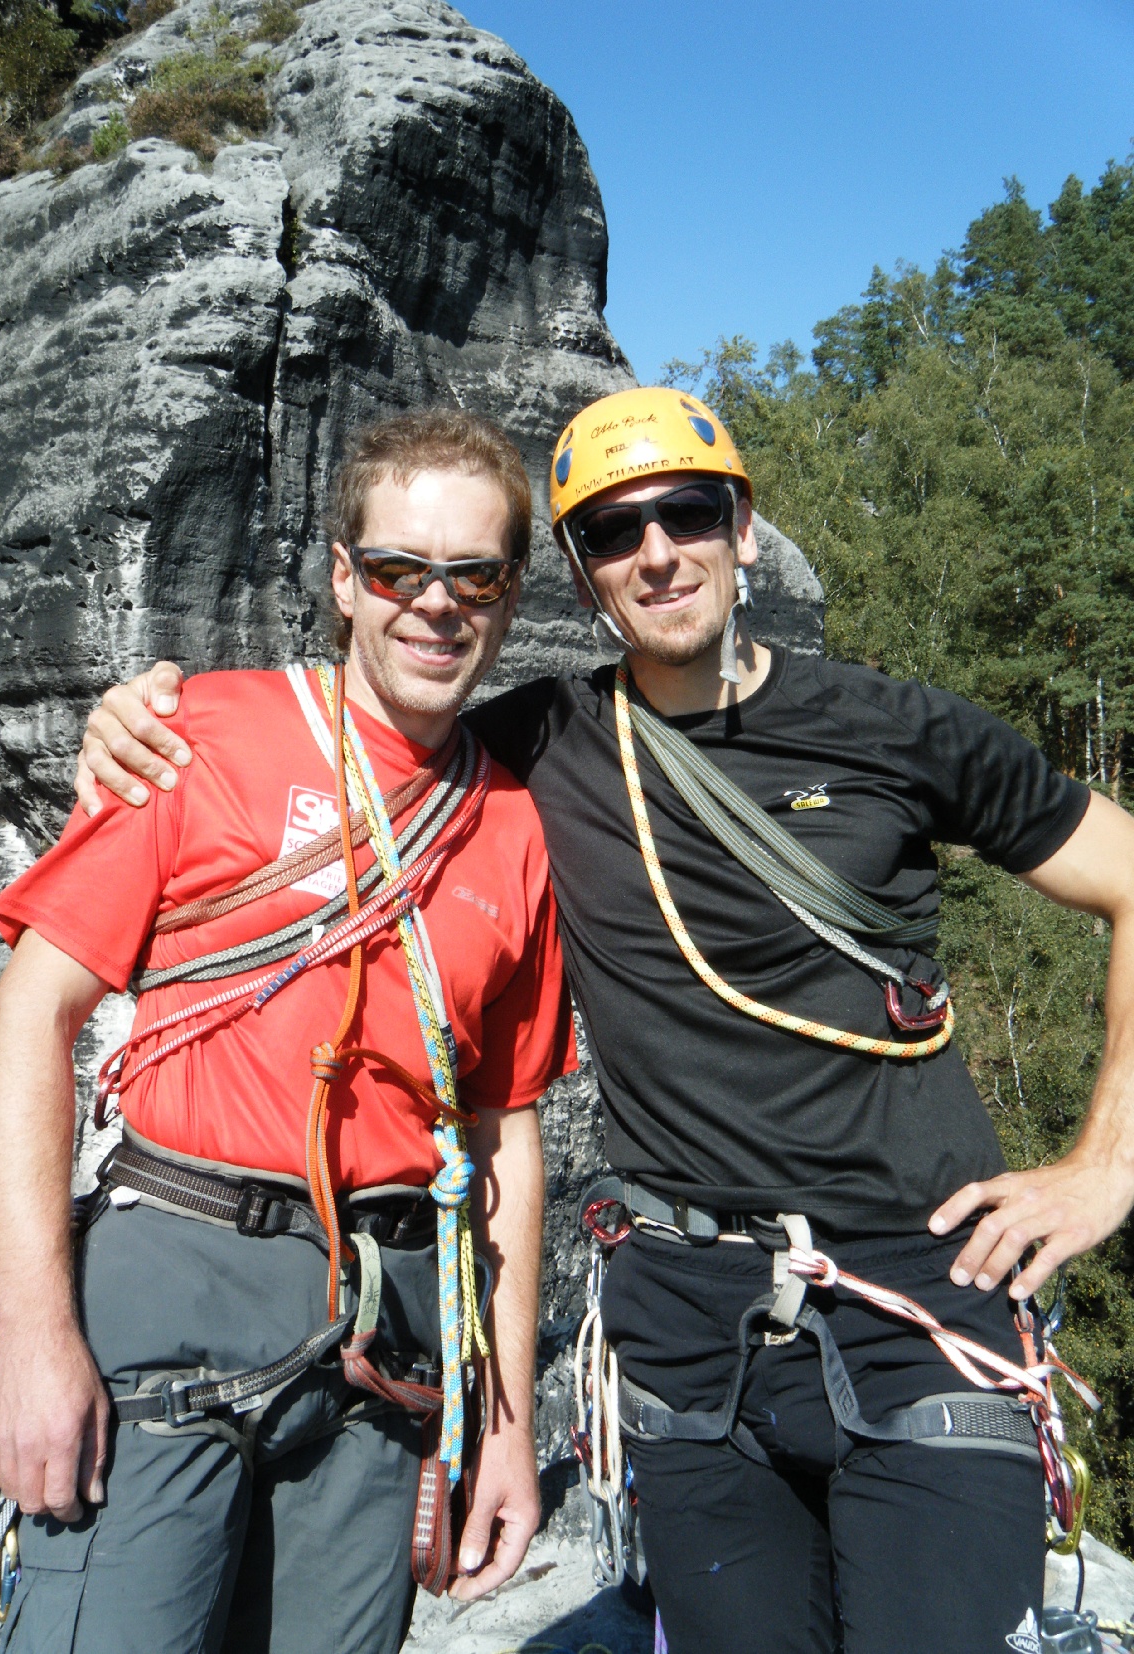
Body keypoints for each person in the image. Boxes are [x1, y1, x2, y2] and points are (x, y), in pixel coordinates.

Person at [75, 386, 1134, 1654]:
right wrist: (143, 719)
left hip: (920, 1295)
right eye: (614, 534)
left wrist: (1102, 1171)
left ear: (743, 529)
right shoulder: (539, 745)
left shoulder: (897, 731)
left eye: (687, 513)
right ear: (579, 576)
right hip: (689, 1324)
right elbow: (362, 724)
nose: (657, 552)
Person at [0, 409, 576, 1654]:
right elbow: (31, 1017)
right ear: (346, 581)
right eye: (402, 569)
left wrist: (506, 1423)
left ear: (512, 596)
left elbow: (504, 1132)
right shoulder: (202, 737)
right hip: (174, 1281)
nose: (437, 604)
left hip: (384, 1335)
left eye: (477, 575)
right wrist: (34, 1335)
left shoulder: (513, 826)